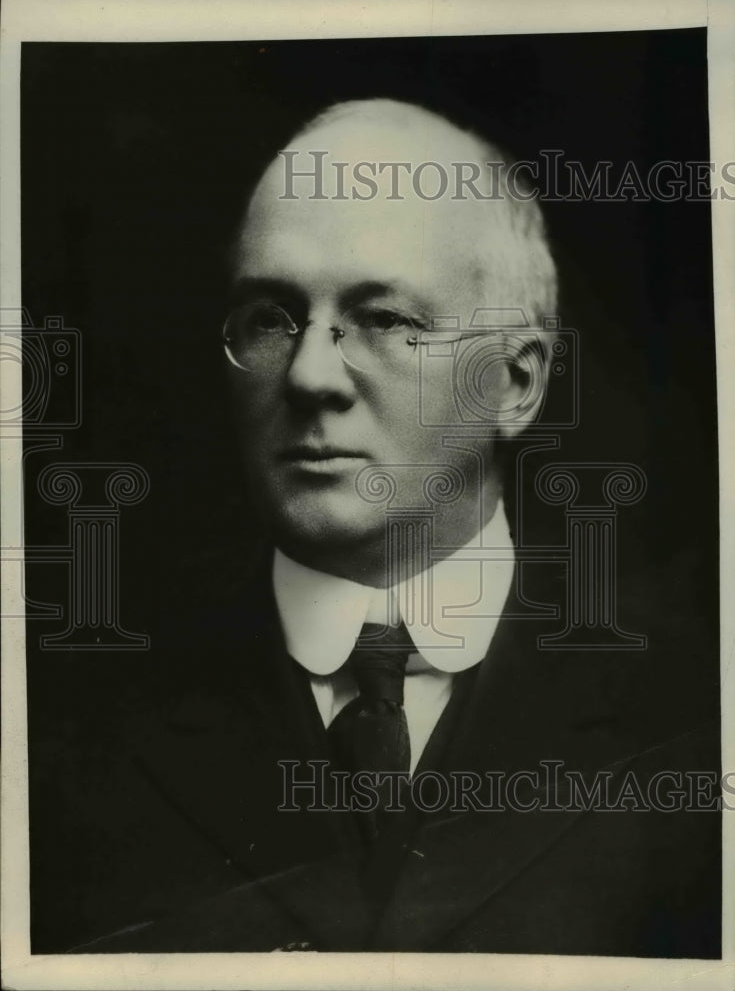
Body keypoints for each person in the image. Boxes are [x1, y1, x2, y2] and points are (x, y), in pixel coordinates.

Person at [38, 98, 720, 957]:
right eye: (269, 318)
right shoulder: (64, 736)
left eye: (387, 319)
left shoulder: (694, 715)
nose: (311, 375)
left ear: (515, 383)